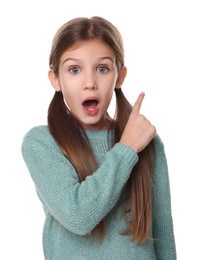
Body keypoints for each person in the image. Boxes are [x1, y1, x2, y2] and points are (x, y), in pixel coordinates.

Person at [21, 16, 176, 260]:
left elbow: (163, 237)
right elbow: (78, 216)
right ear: (55, 79)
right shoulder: (42, 142)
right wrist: (126, 150)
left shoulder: (148, 143)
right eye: (74, 70)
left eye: (102, 69)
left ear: (120, 76)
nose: (90, 83)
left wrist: (133, 146)